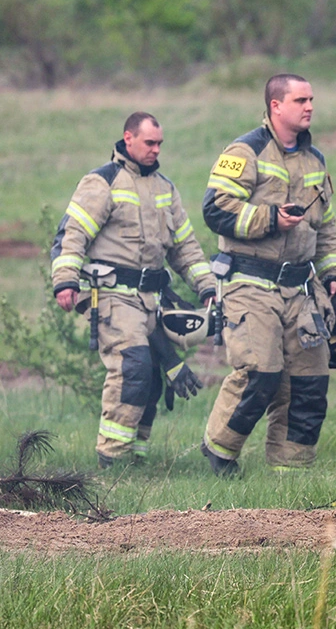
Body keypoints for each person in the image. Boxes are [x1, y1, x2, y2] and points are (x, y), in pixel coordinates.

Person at [200, 73, 336, 476]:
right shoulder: (245, 152)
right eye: (300, 100)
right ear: (275, 106)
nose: (309, 107)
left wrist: (334, 274)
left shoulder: (315, 159)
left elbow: (327, 226)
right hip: (250, 282)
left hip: (302, 288)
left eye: (311, 99)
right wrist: (269, 219)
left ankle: (290, 473)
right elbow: (215, 208)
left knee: (309, 380)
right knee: (260, 372)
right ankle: (220, 450)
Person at [50, 112, 217, 469]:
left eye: (159, 144)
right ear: (128, 139)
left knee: (154, 378)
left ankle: (137, 457)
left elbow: (185, 247)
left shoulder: (164, 187)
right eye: (149, 143)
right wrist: (65, 281)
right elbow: (72, 235)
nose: (156, 150)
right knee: (133, 366)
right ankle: (111, 457)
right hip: (112, 296)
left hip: (151, 300)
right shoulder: (102, 182)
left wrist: (207, 288)